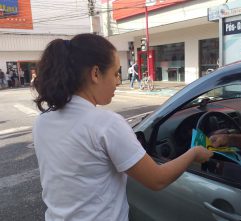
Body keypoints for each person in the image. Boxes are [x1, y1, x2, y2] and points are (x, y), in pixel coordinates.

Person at [33, 33, 213, 221]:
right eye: (115, 73)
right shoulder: (106, 123)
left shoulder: (41, 121)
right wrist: (194, 153)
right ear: (95, 74)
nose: (118, 81)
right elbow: (157, 179)